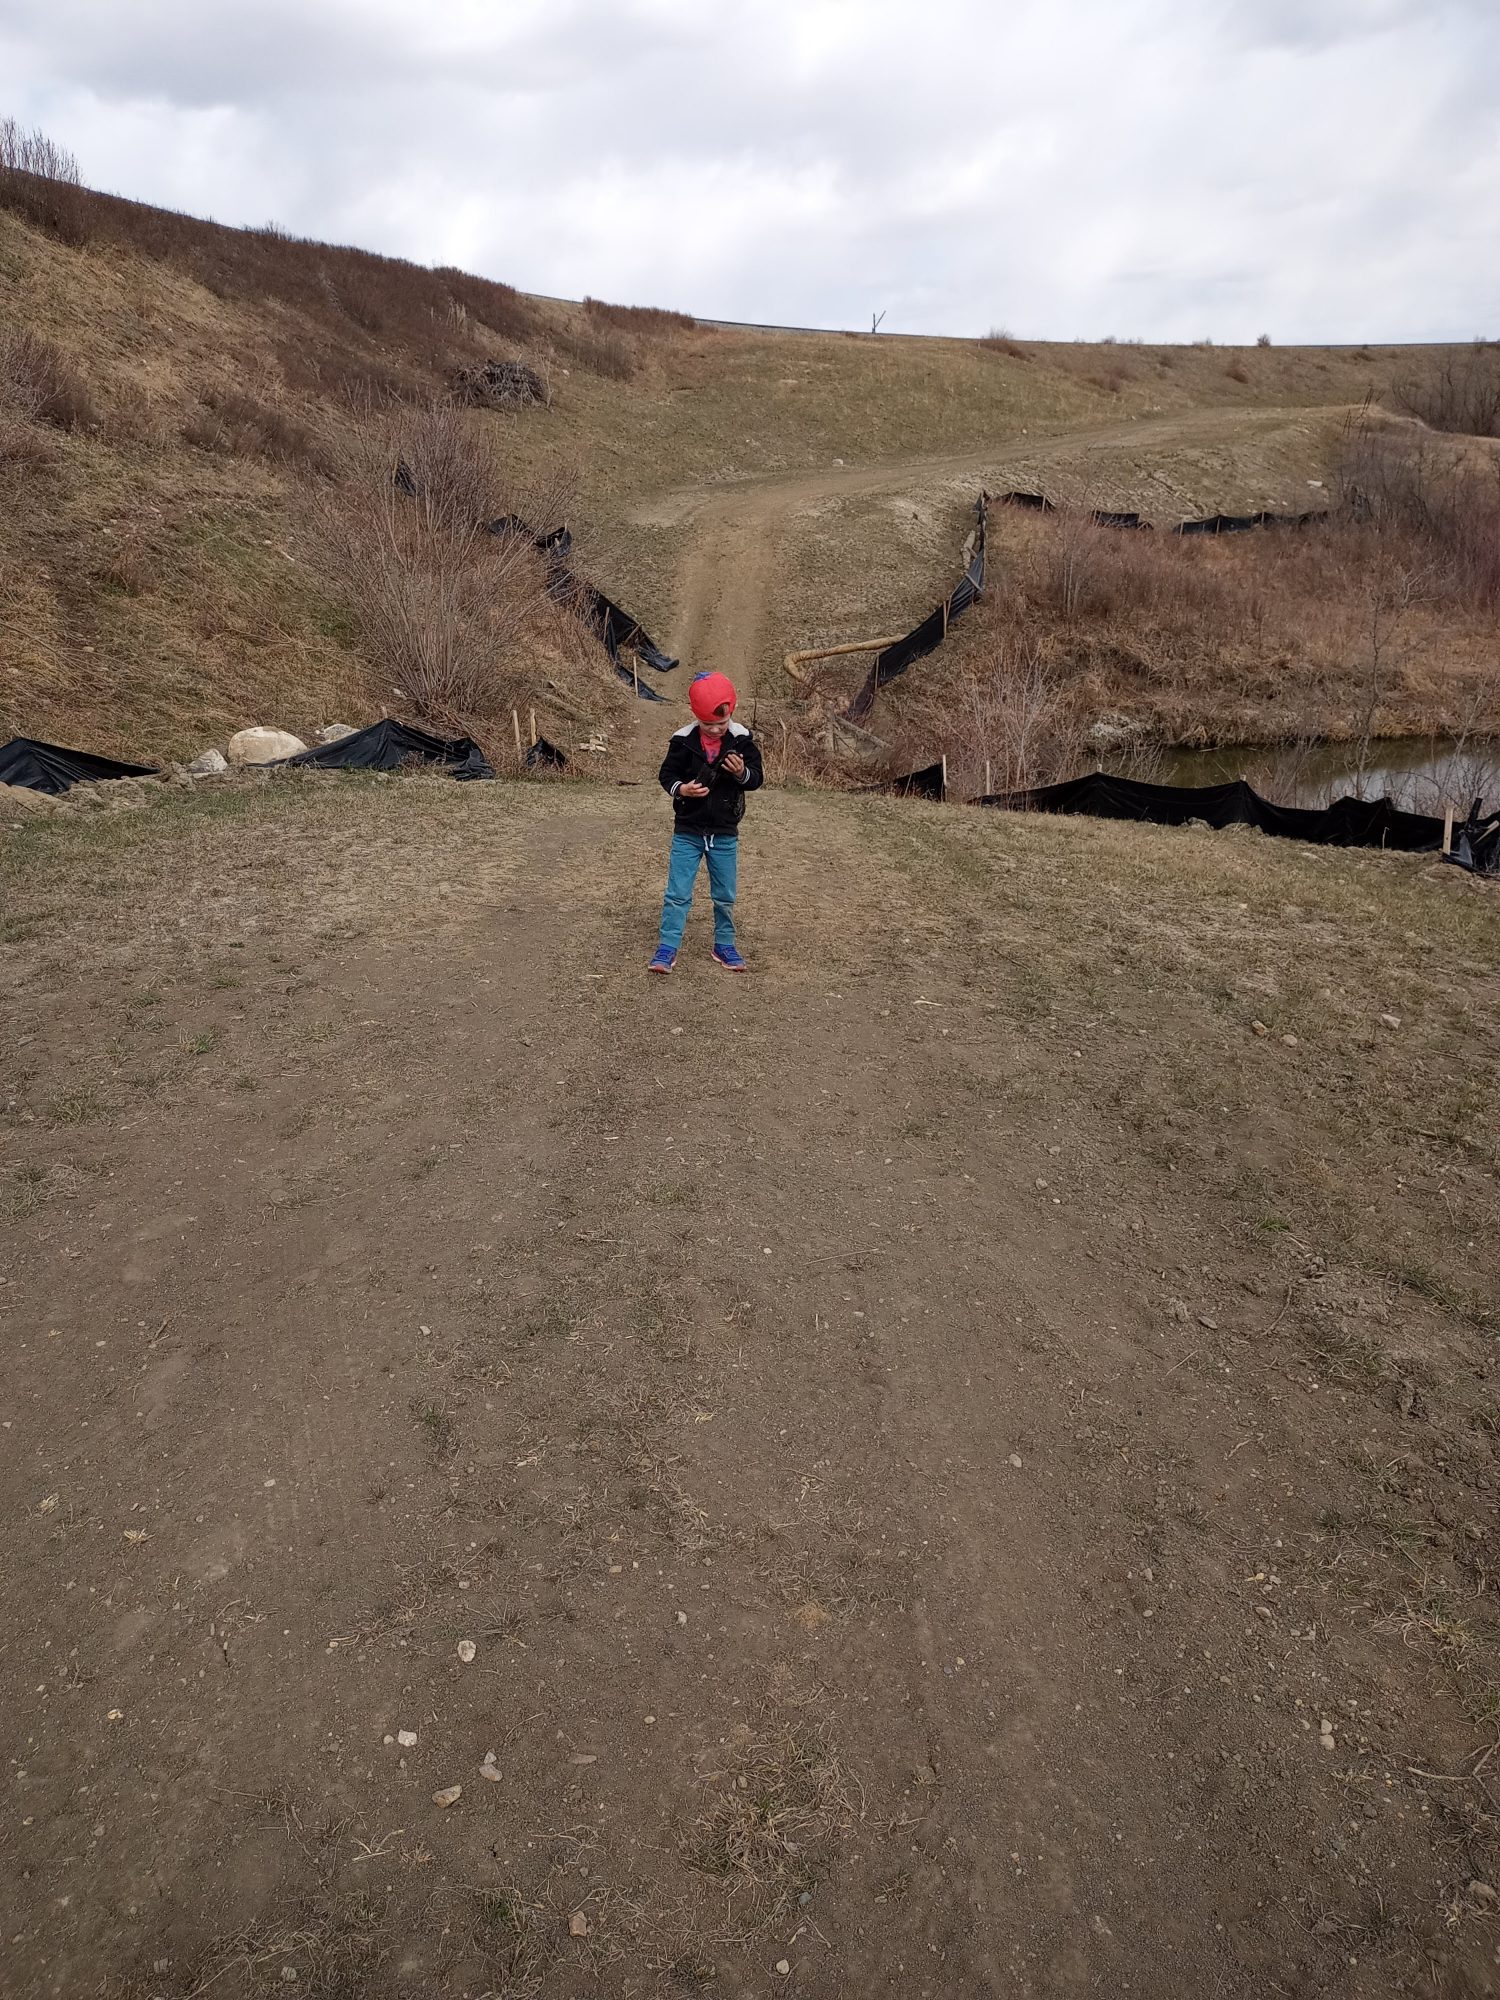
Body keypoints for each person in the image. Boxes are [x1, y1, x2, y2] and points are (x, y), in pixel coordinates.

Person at [649, 671, 763, 973]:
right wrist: (682, 789)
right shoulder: (682, 741)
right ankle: (667, 947)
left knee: (725, 894)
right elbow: (666, 776)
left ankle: (724, 944)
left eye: (721, 724)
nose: (714, 729)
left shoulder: (742, 740)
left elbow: (756, 779)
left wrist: (741, 774)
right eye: (708, 724)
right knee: (677, 893)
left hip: (725, 831)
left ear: (731, 714)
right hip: (688, 829)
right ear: (695, 715)